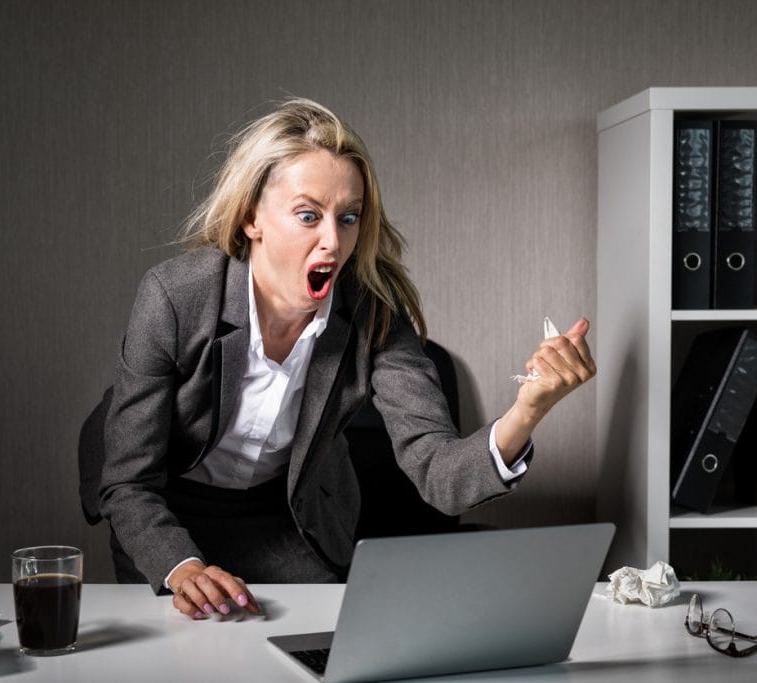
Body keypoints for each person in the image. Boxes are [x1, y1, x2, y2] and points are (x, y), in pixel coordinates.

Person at [99, 98, 596, 620]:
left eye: (349, 217)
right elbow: (129, 480)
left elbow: (439, 475)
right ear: (252, 217)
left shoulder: (373, 314)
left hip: (286, 518)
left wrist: (529, 409)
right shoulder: (176, 297)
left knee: (313, 655)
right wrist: (181, 567)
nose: (333, 243)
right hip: (165, 511)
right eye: (308, 215)